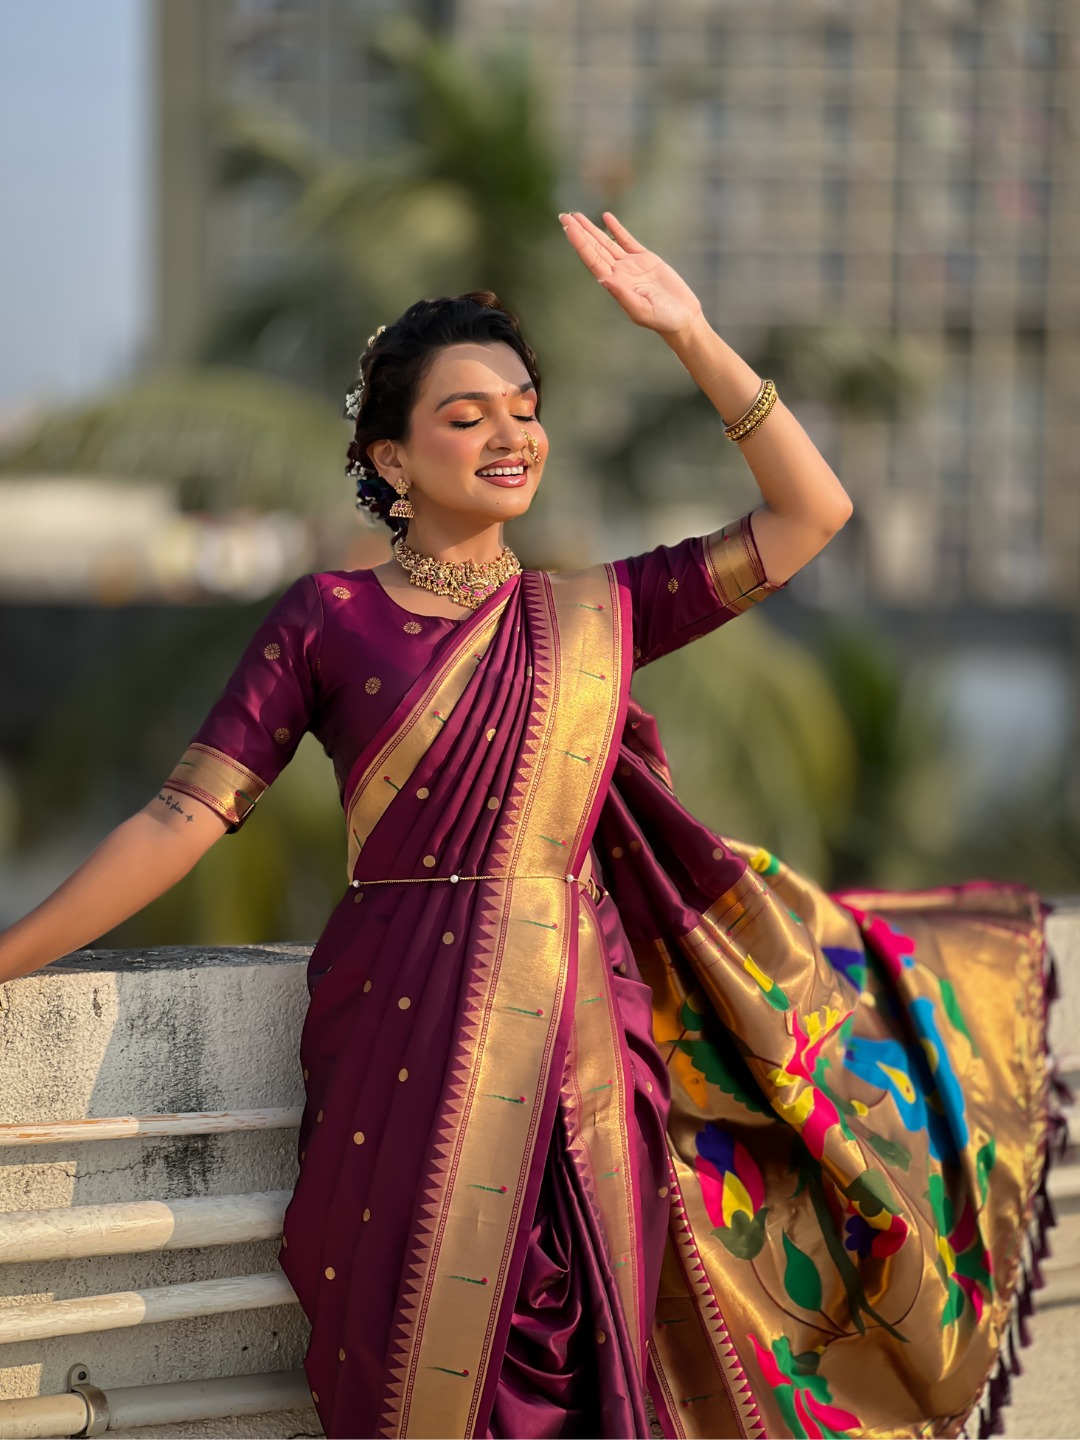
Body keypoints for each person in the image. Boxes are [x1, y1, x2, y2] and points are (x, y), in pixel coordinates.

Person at [0, 212, 1055, 1440]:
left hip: (577, 1047)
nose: (511, 432)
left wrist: (691, 333)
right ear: (391, 461)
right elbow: (185, 815)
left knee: (591, 1348)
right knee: (400, 1367)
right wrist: (12, 954)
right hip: (394, 1034)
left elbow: (811, 513)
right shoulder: (328, 617)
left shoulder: (603, 611)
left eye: (524, 405)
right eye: (466, 414)